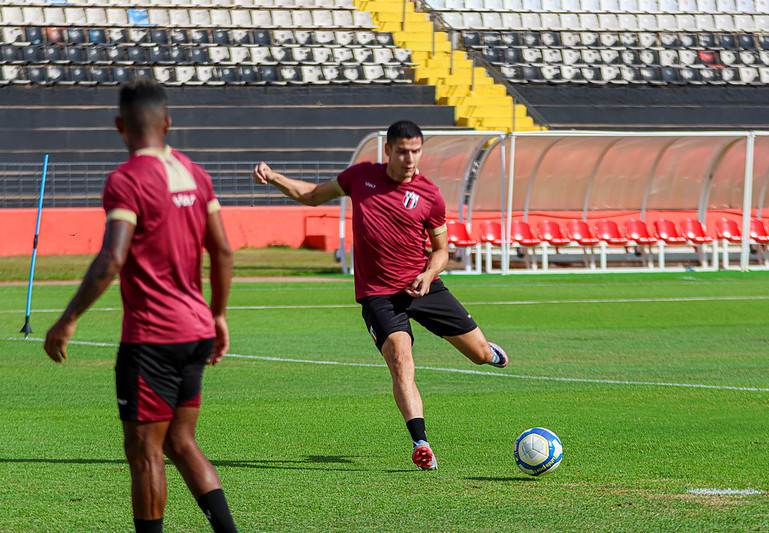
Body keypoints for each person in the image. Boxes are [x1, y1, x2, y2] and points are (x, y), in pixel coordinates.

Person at [252, 120, 508, 471]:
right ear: (387, 150)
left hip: (423, 285)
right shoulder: (361, 177)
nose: (409, 158)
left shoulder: (429, 194)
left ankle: (491, 352)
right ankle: (421, 443)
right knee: (401, 357)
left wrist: (428, 274)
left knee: (479, 355)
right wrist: (274, 176)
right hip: (378, 295)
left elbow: (442, 250)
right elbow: (310, 195)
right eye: (402, 151)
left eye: (416, 151)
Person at [43, 78, 237, 533]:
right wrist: (220, 314)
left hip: (152, 339)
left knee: (146, 453)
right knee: (181, 442)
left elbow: (112, 258)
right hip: (196, 330)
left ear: (119, 126)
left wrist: (68, 319)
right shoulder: (195, 172)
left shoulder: (126, 179)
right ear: (167, 124)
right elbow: (224, 251)